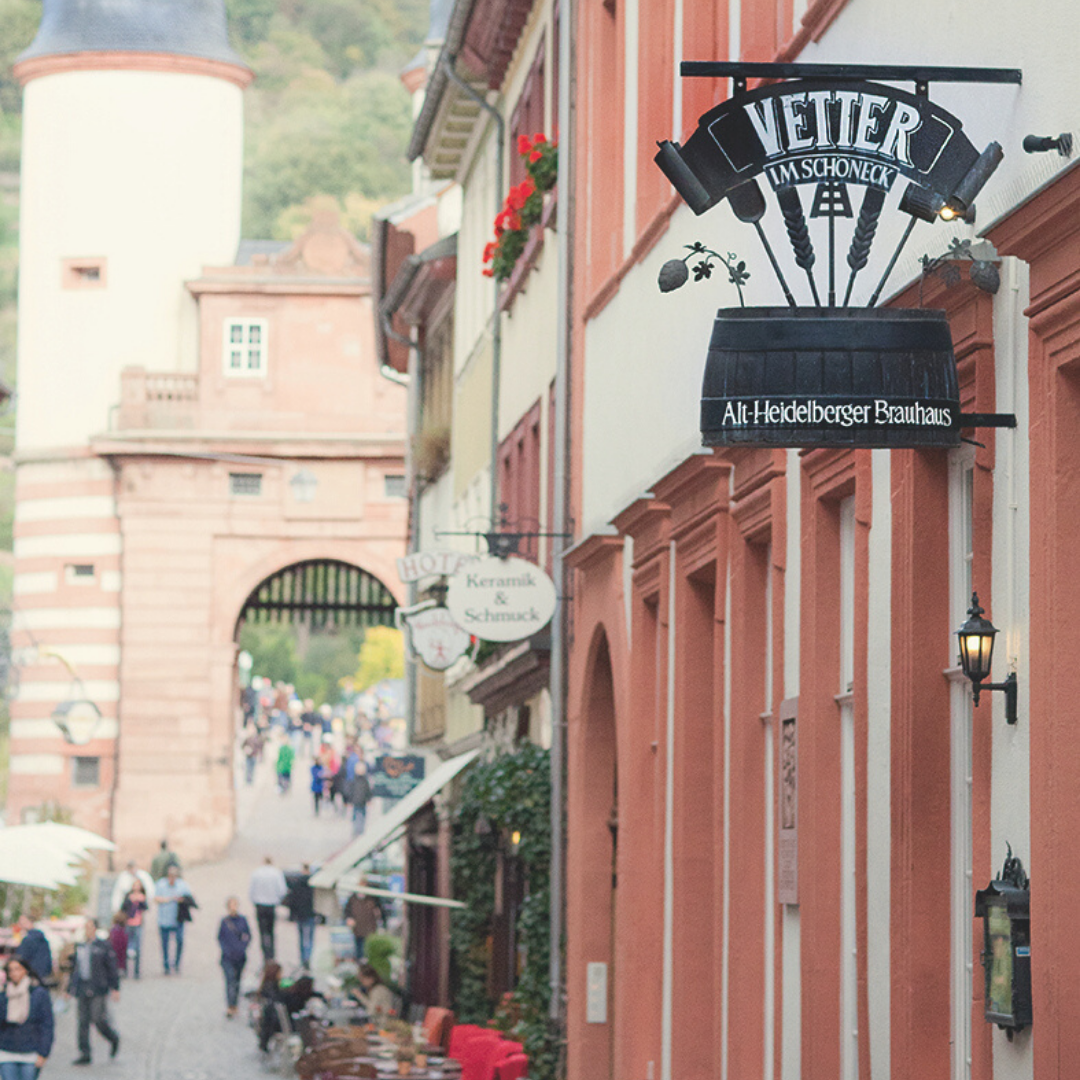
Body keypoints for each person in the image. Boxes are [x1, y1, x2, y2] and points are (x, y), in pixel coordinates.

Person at [68, 918, 120, 1065]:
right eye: (85, 927)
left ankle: (113, 1038)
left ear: (95, 928)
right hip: (82, 988)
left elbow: (112, 968)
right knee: (82, 1021)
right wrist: (69, 988)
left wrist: (115, 987)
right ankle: (85, 1052)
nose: (87, 929)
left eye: (89, 927)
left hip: (98, 987)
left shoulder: (103, 946)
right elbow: (74, 969)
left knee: (98, 1019)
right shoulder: (80, 946)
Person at [0, 956, 54, 1080]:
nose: (14, 973)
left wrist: (44, 1052)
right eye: (11, 970)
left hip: (30, 1052)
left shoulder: (38, 994)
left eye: (17, 969)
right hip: (6, 1050)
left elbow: (46, 1025)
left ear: (25, 970)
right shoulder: (4, 994)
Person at [154, 864, 194, 975]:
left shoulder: (182, 885)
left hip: (177, 919)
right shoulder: (161, 884)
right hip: (164, 919)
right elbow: (155, 898)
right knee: (165, 944)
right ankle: (166, 965)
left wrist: (182, 900)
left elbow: (189, 898)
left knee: (180, 941)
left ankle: (176, 963)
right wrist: (168, 899)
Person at [217, 897, 251, 1019]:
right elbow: (220, 938)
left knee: (237, 981)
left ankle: (235, 1004)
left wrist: (242, 947)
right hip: (227, 957)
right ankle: (230, 1005)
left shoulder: (242, 920)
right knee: (230, 980)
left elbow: (248, 935)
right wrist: (227, 950)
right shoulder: (224, 921)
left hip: (240, 956)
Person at [249, 856, 288, 963]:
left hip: (260, 905)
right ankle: (272, 955)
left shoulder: (256, 873)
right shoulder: (276, 873)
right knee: (271, 932)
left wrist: (255, 900)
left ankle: (265, 956)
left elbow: (251, 891)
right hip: (271, 905)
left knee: (262, 932)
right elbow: (282, 890)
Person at [284, 865, 316, 969]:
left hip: (300, 915)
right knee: (309, 938)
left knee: (302, 938)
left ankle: (303, 959)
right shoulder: (314, 884)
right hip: (310, 914)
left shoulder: (296, 883)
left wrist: (292, 915)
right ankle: (307, 958)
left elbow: (292, 900)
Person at [344, 885, 380, 963]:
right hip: (358, 928)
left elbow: (378, 911)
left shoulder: (371, 898)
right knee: (359, 946)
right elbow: (347, 911)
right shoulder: (353, 898)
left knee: (367, 947)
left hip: (369, 928)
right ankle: (359, 962)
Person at [120, 882, 149, 979]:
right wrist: (130, 900)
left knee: (138, 948)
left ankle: (136, 971)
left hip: (138, 924)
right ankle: (125, 970)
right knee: (127, 947)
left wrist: (140, 901)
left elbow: (145, 908)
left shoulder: (142, 897)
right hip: (129, 923)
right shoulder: (128, 897)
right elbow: (123, 908)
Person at [12, 917, 52, 985]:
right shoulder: (42, 938)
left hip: (31, 974)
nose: (20, 925)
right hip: (43, 974)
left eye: (22, 923)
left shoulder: (28, 939)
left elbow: (20, 958)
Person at [345, 764, 372, 837]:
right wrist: (369, 799)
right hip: (361, 801)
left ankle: (357, 830)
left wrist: (349, 800)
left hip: (357, 801)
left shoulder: (355, 780)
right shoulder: (364, 781)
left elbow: (350, 791)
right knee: (361, 815)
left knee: (356, 815)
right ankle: (359, 830)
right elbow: (368, 791)